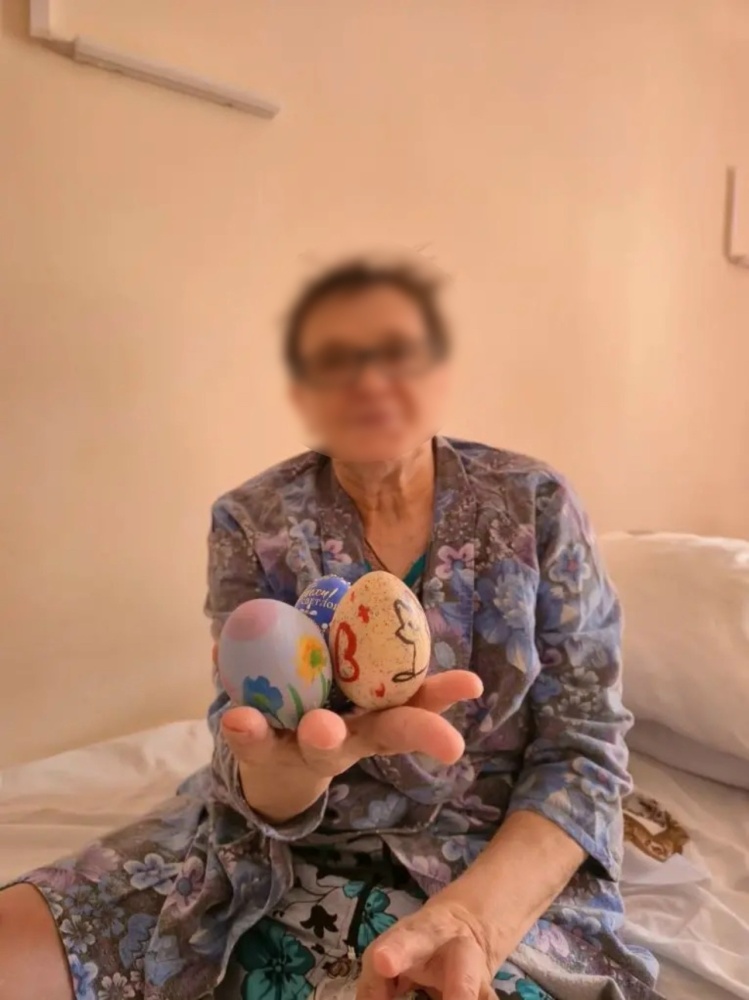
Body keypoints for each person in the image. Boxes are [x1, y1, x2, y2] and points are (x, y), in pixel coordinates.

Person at [0, 258, 661, 1000]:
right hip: (270, 846)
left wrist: (474, 923)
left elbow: (584, 752)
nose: (369, 380)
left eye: (397, 351)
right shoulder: (252, 519)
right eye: (334, 359)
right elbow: (244, 749)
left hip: (485, 861)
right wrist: (284, 777)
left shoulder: (533, 504)